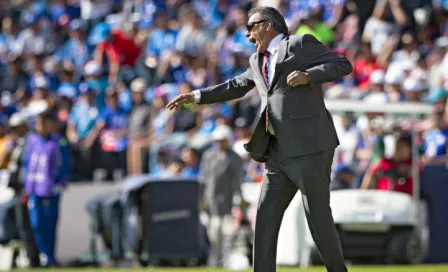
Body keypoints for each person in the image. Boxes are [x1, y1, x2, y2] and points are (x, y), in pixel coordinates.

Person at [167, 7, 352, 272]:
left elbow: (342, 64)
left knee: (318, 219)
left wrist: (309, 76)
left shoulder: (299, 43)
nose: (246, 33)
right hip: (277, 153)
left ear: (268, 25)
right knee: (264, 221)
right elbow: (235, 85)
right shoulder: (256, 60)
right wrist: (197, 97)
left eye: (251, 26)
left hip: (310, 148)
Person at [24, 110, 69, 267]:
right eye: (39, 122)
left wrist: (60, 181)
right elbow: (26, 164)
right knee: (36, 222)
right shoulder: (31, 141)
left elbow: (65, 164)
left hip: (51, 188)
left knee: (51, 223)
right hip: (34, 188)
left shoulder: (59, 142)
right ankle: (42, 253)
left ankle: (50, 257)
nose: (41, 126)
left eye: (44, 122)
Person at [199, 124, 243, 267]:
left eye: (222, 140)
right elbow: (204, 179)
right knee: (213, 234)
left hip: (229, 202)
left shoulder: (234, 158)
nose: (219, 144)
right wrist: (203, 200)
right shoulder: (208, 157)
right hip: (212, 202)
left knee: (228, 234)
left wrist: (238, 199)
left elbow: (238, 179)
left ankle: (226, 261)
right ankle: (213, 262)